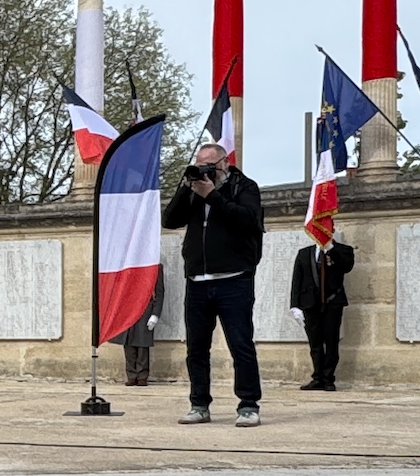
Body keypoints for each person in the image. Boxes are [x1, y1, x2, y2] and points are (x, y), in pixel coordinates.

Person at [161, 142, 265, 427]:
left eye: (211, 165)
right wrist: (186, 187)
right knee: (196, 347)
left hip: (234, 279)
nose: (206, 170)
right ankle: (199, 404)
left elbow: (247, 220)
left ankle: (248, 405)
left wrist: (213, 196)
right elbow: (169, 220)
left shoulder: (244, 187)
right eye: (201, 164)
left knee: (240, 345)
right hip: (198, 281)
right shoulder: (194, 190)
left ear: (225, 164)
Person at [290, 233, 356, 391]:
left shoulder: (343, 250)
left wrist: (331, 250)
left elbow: (346, 267)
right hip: (310, 304)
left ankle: (328, 378)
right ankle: (317, 377)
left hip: (332, 303)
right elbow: (297, 280)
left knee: (331, 341)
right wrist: (295, 305)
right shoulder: (304, 253)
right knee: (315, 343)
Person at [113, 273, 165, 386]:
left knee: (142, 342)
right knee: (128, 341)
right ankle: (131, 375)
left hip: (145, 307)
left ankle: (142, 376)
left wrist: (155, 314)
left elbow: (159, 293)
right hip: (127, 307)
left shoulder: (155, 267)